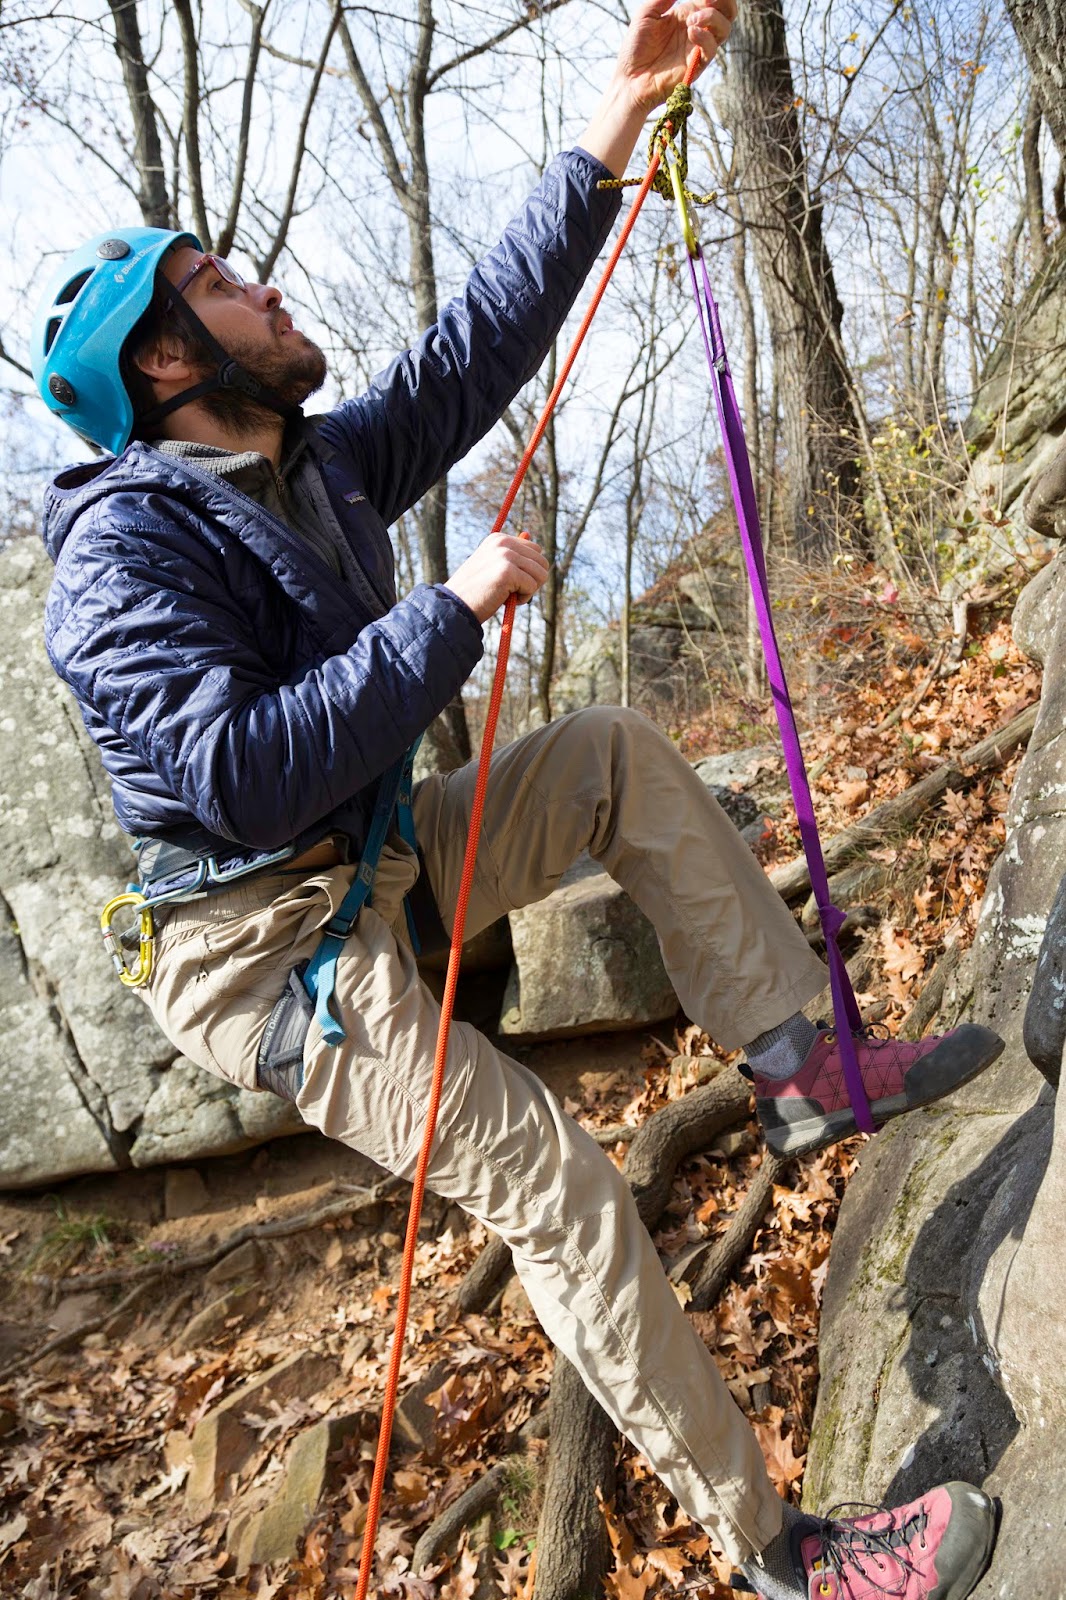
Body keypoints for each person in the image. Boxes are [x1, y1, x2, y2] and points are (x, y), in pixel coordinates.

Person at [31, 3, 1002, 1594]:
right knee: (553, 1179)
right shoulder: (122, 552)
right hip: (268, 958)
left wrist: (620, 112)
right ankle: (783, 1554)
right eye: (219, 282)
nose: (263, 285)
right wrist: (445, 613)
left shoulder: (311, 468)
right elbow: (232, 774)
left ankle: (796, 1062)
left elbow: (479, 341)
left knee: (605, 752)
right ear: (167, 359)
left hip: (371, 864)